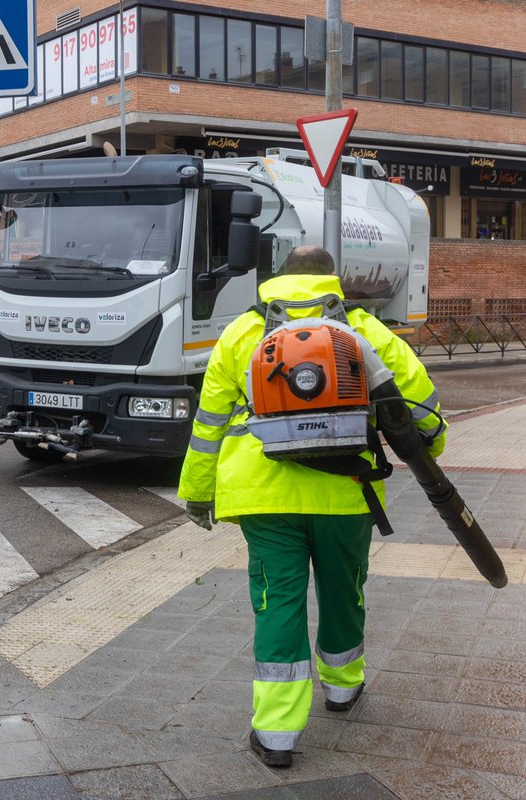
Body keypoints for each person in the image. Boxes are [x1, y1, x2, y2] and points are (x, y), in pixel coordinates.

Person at [177, 245, 446, 769]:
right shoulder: (365, 328)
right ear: (332, 282)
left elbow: (208, 425)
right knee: (344, 589)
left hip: (264, 496)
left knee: (278, 601)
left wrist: (199, 492)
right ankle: (343, 688)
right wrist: (432, 447)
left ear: (280, 280)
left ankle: (277, 734)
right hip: (346, 491)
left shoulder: (239, 333)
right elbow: (419, 398)